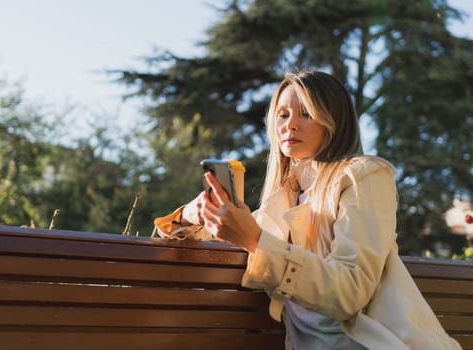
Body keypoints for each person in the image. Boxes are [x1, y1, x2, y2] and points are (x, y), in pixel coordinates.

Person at [154, 70, 461, 349]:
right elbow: (178, 237)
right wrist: (190, 215)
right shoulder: (283, 200)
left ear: (334, 121)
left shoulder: (364, 176)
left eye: (306, 113)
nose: (290, 124)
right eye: (283, 114)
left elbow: (350, 290)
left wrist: (255, 242)